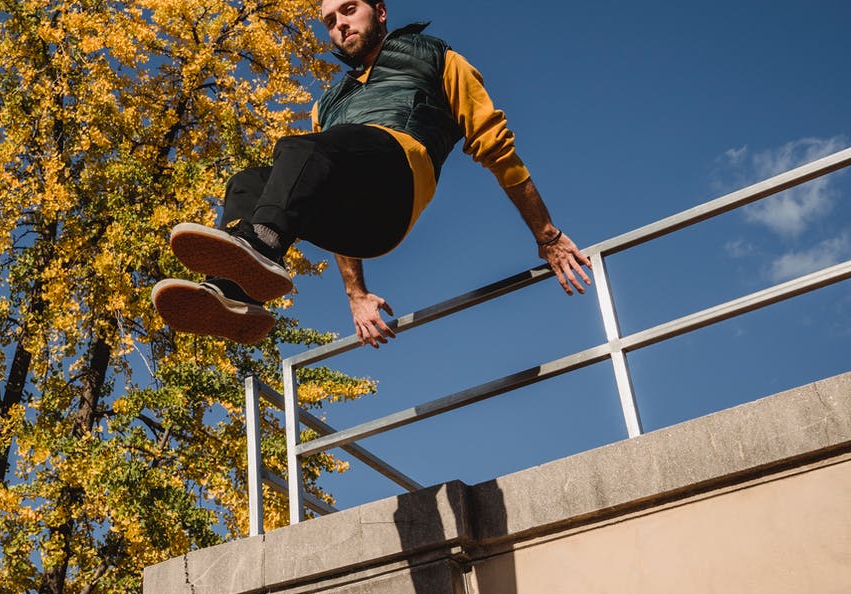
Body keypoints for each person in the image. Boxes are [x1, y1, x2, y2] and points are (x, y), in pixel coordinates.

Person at [152, 0, 592, 347]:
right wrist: (356, 294)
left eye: (349, 11)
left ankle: (261, 244)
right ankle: (233, 295)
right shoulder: (326, 104)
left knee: (302, 149)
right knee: (249, 179)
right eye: (329, 21)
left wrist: (547, 235)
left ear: (378, 12)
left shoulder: (434, 55)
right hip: (358, 225)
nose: (340, 25)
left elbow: (494, 144)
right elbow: (316, 180)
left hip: (396, 181)